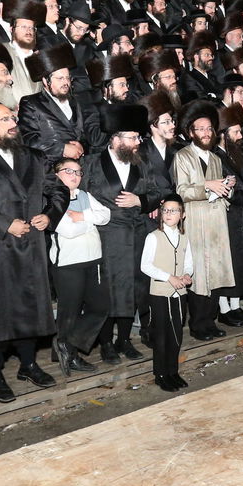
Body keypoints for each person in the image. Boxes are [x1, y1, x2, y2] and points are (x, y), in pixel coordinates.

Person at [0, 102, 67, 401]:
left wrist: (50, 215)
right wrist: (6, 224)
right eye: (5, 118)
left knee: (29, 305)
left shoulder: (34, 157)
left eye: (13, 117)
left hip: (29, 244)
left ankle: (28, 364)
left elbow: (58, 190)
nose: (13, 122)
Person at [83, 103, 162, 363]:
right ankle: (105, 343)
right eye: (132, 137)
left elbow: (156, 193)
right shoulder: (92, 163)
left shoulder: (143, 162)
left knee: (134, 288)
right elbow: (81, 196)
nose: (138, 142)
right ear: (116, 139)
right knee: (109, 290)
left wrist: (139, 202)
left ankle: (124, 339)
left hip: (137, 234)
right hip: (107, 236)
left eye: (138, 137)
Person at [173, 100, 235, 340]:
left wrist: (226, 188)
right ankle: (198, 325)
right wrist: (207, 186)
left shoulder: (217, 159)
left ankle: (211, 321)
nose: (206, 133)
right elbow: (182, 191)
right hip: (196, 222)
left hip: (217, 222)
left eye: (209, 129)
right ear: (191, 132)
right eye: (200, 129)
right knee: (199, 274)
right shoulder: (183, 156)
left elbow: (219, 191)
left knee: (216, 273)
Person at [48, 156, 111, 375]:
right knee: (70, 312)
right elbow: (68, 230)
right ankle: (69, 355)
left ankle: (66, 345)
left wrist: (82, 216)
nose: (75, 176)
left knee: (101, 307)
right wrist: (89, 222)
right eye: (69, 171)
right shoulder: (51, 200)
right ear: (56, 175)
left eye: (78, 172)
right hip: (68, 264)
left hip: (93, 259)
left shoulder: (85, 195)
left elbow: (106, 215)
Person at [139, 193, 191, 392]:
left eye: (174, 210)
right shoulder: (153, 237)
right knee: (161, 336)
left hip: (179, 294)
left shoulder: (184, 238)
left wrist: (187, 275)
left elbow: (189, 263)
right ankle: (160, 374)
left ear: (182, 215)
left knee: (176, 334)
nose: (169, 214)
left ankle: (172, 371)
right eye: (165, 210)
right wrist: (169, 277)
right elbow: (145, 265)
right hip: (160, 293)